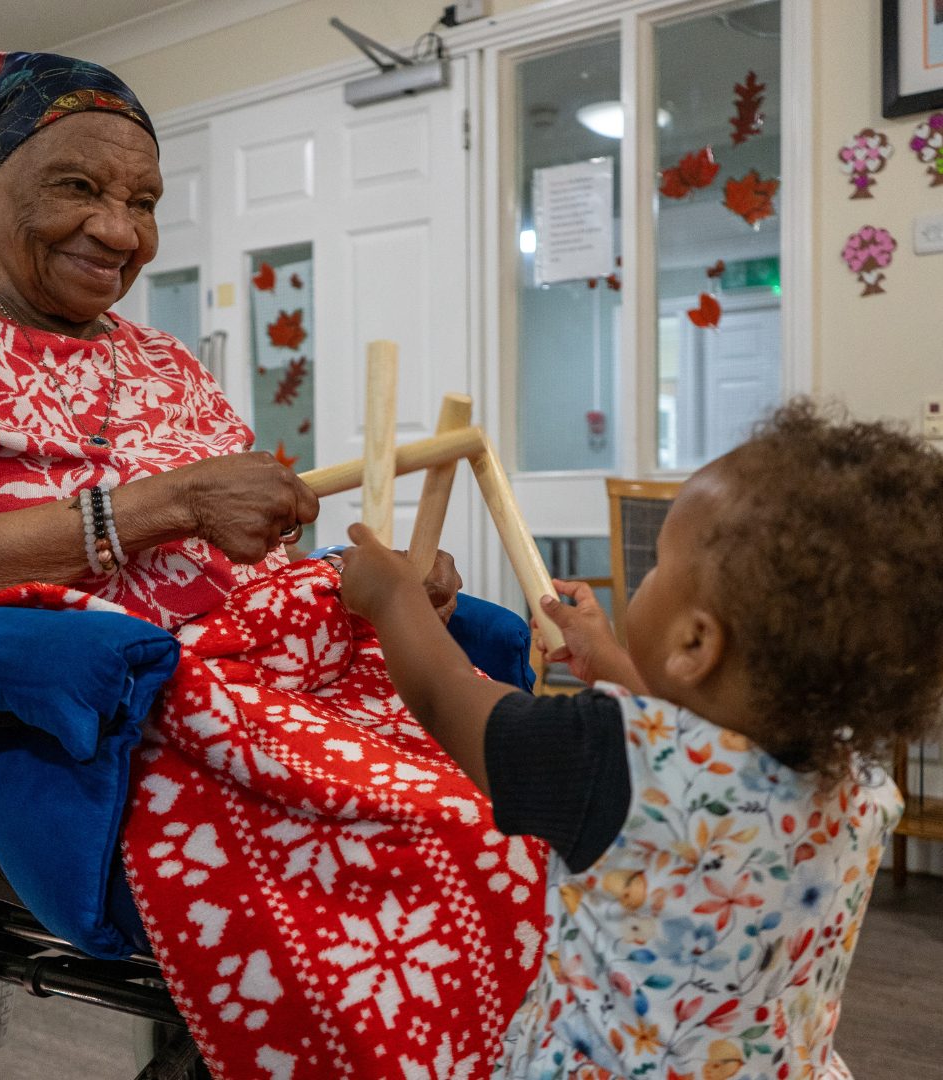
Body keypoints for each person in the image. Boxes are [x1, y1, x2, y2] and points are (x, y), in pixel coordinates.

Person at [339, 400, 943, 1080]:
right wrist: (615, 664)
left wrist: (392, 598)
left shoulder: (602, 756)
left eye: (657, 565)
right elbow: (708, 753)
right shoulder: (860, 783)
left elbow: (449, 698)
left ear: (695, 643)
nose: (646, 577)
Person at [0, 50, 460, 630]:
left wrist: (354, 578)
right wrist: (171, 504)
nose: (121, 233)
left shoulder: (165, 358)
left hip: (250, 661)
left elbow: (244, 570)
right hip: (97, 708)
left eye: (143, 203)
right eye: (77, 186)